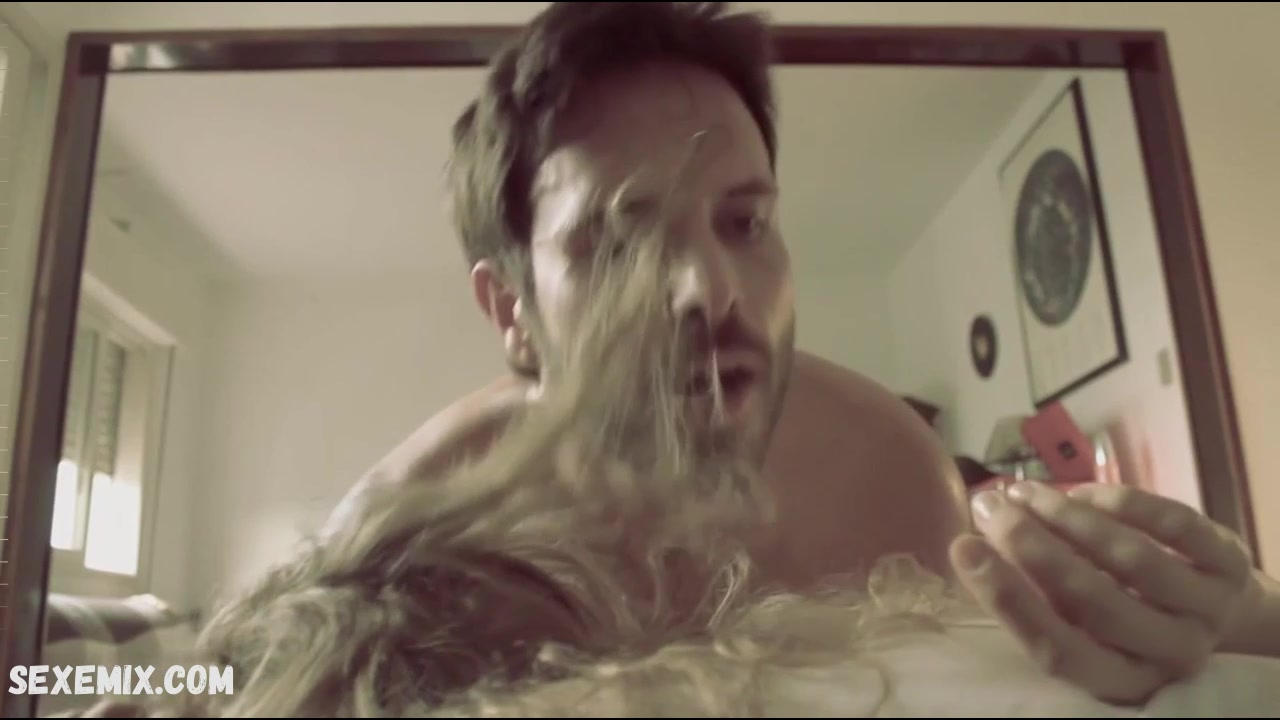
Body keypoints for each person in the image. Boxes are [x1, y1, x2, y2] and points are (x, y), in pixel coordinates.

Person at [325, 0, 1280, 706]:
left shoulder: (882, 462)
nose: (708, 291)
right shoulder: (407, 552)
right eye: (617, 245)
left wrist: (1231, 614)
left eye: (744, 223)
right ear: (512, 312)